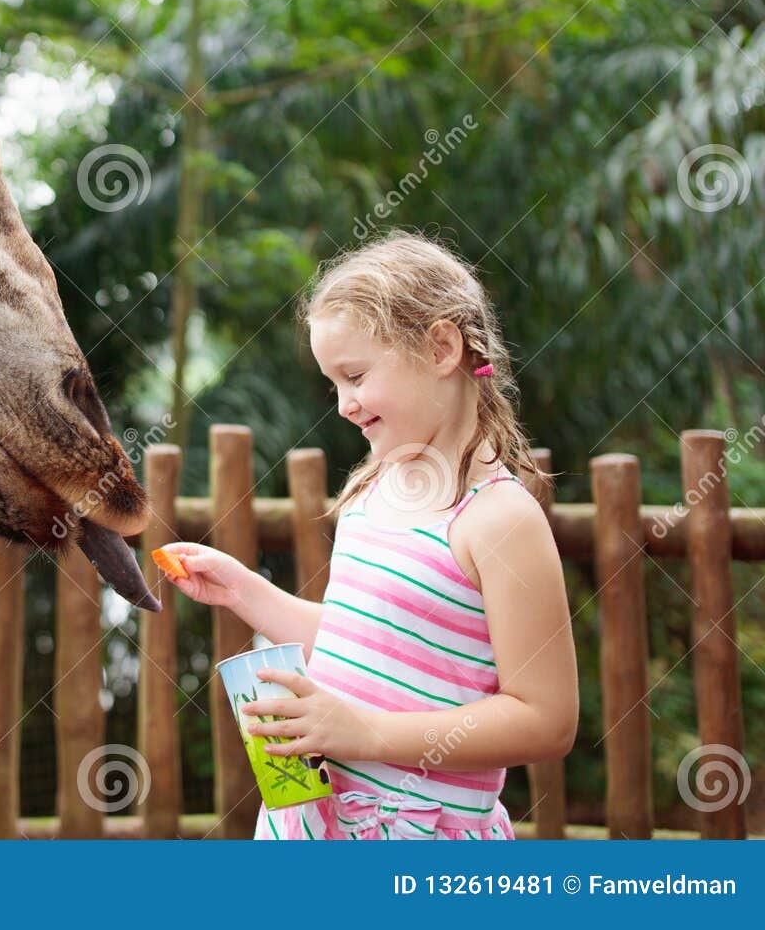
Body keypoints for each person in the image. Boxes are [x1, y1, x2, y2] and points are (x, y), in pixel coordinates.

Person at [159, 229, 578, 839]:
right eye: (333, 384)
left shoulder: (500, 520)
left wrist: (364, 732)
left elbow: (546, 720)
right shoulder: (372, 490)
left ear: (441, 348)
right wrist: (245, 593)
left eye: (354, 376)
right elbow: (361, 640)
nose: (343, 405)